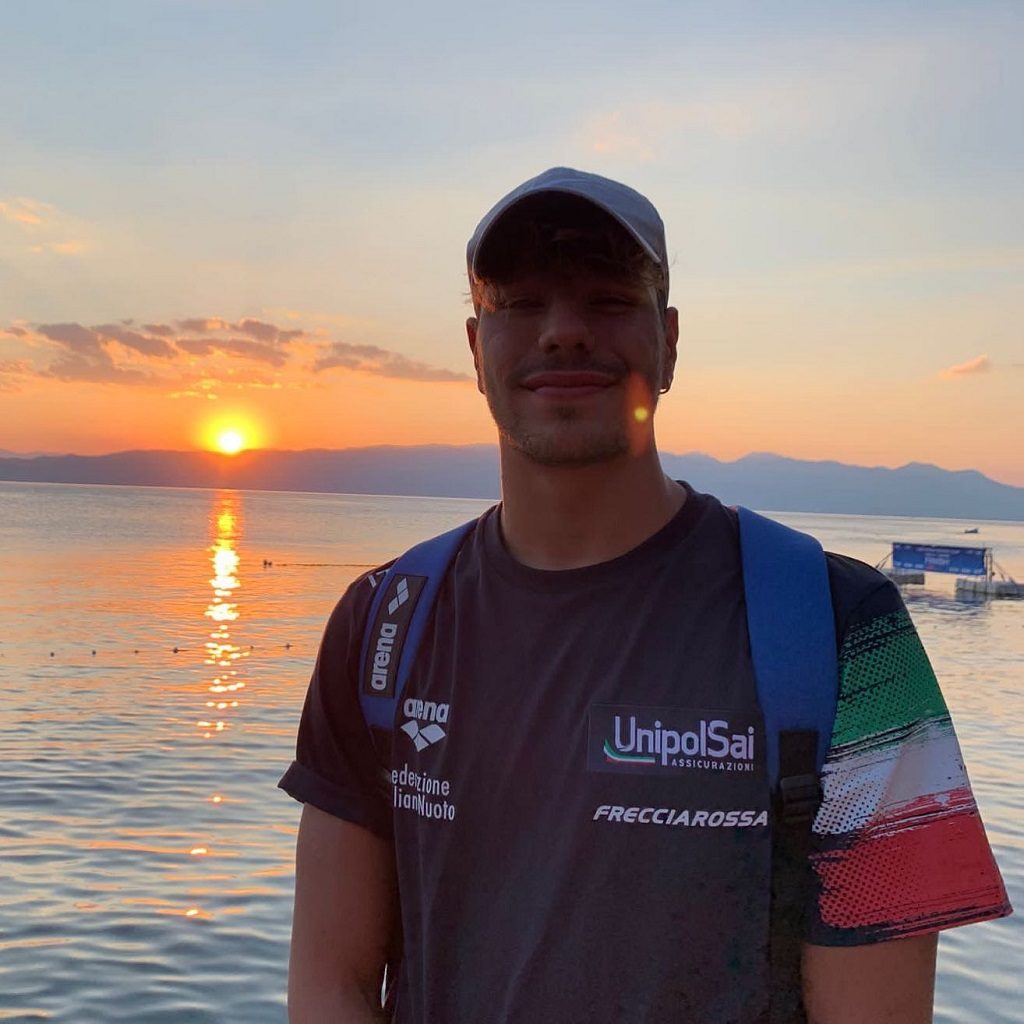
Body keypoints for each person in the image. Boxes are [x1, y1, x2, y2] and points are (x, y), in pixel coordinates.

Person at [279, 168, 1011, 1023]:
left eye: (608, 298)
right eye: (521, 302)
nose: (563, 331)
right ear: (476, 349)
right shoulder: (381, 626)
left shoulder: (847, 629)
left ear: (669, 342)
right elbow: (329, 984)